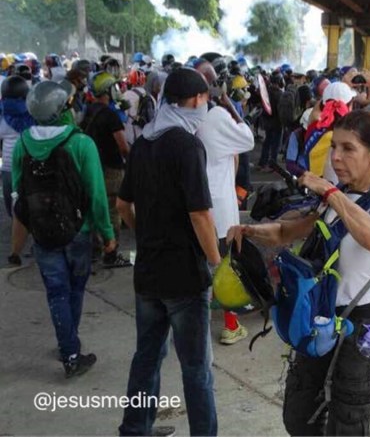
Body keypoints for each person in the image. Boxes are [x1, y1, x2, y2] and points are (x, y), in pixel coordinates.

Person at [227, 96, 370, 435]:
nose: (336, 157)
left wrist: (329, 192)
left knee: (347, 425)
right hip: (320, 319)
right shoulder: (335, 197)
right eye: (334, 146)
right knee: (299, 415)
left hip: (366, 326)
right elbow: (286, 230)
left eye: (348, 149)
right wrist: (249, 230)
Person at [116, 68, 221, 436]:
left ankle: (134, 429)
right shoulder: (187, 145)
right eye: (206, 99)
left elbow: (123, 205)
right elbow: (200, 215)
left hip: (148, 271)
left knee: (146, 356)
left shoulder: (144, 142)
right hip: (185, 276)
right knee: (196, 368)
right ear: (195, 100)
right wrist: (216, 261)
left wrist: (146, 235)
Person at [13, 81, 116, 376]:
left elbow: (17, 194)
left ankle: (67, 344)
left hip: (42, 234)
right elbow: (96, 195)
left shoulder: (22, 142)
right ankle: (71, 351)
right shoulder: (81, 143)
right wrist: (107, 234)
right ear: (63, 110)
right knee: (75, 289)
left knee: (56, 291)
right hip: (78, 232)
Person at [195, 63, 255, 345]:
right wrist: (230, 106)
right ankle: (230, 326)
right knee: (224, 267)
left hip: (192, 205)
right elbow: (247, 140)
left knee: (198, 267)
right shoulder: (217, 115)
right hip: (217, 206)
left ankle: (193, 327)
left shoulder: (178, 117)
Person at [82, 71, 131, 267]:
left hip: (92, 167)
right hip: (111, 169)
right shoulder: (110, 115)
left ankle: (94, 249)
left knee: (94, 208)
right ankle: (111, 252)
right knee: (113, 210)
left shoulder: (89, 110)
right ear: (109, 91)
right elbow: (123, 147)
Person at [0, 76, 35, 217]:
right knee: (31, 202)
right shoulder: (34, 111)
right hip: (31, 163)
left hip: (8, 166)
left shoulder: (2, 114)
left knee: (12, 207)